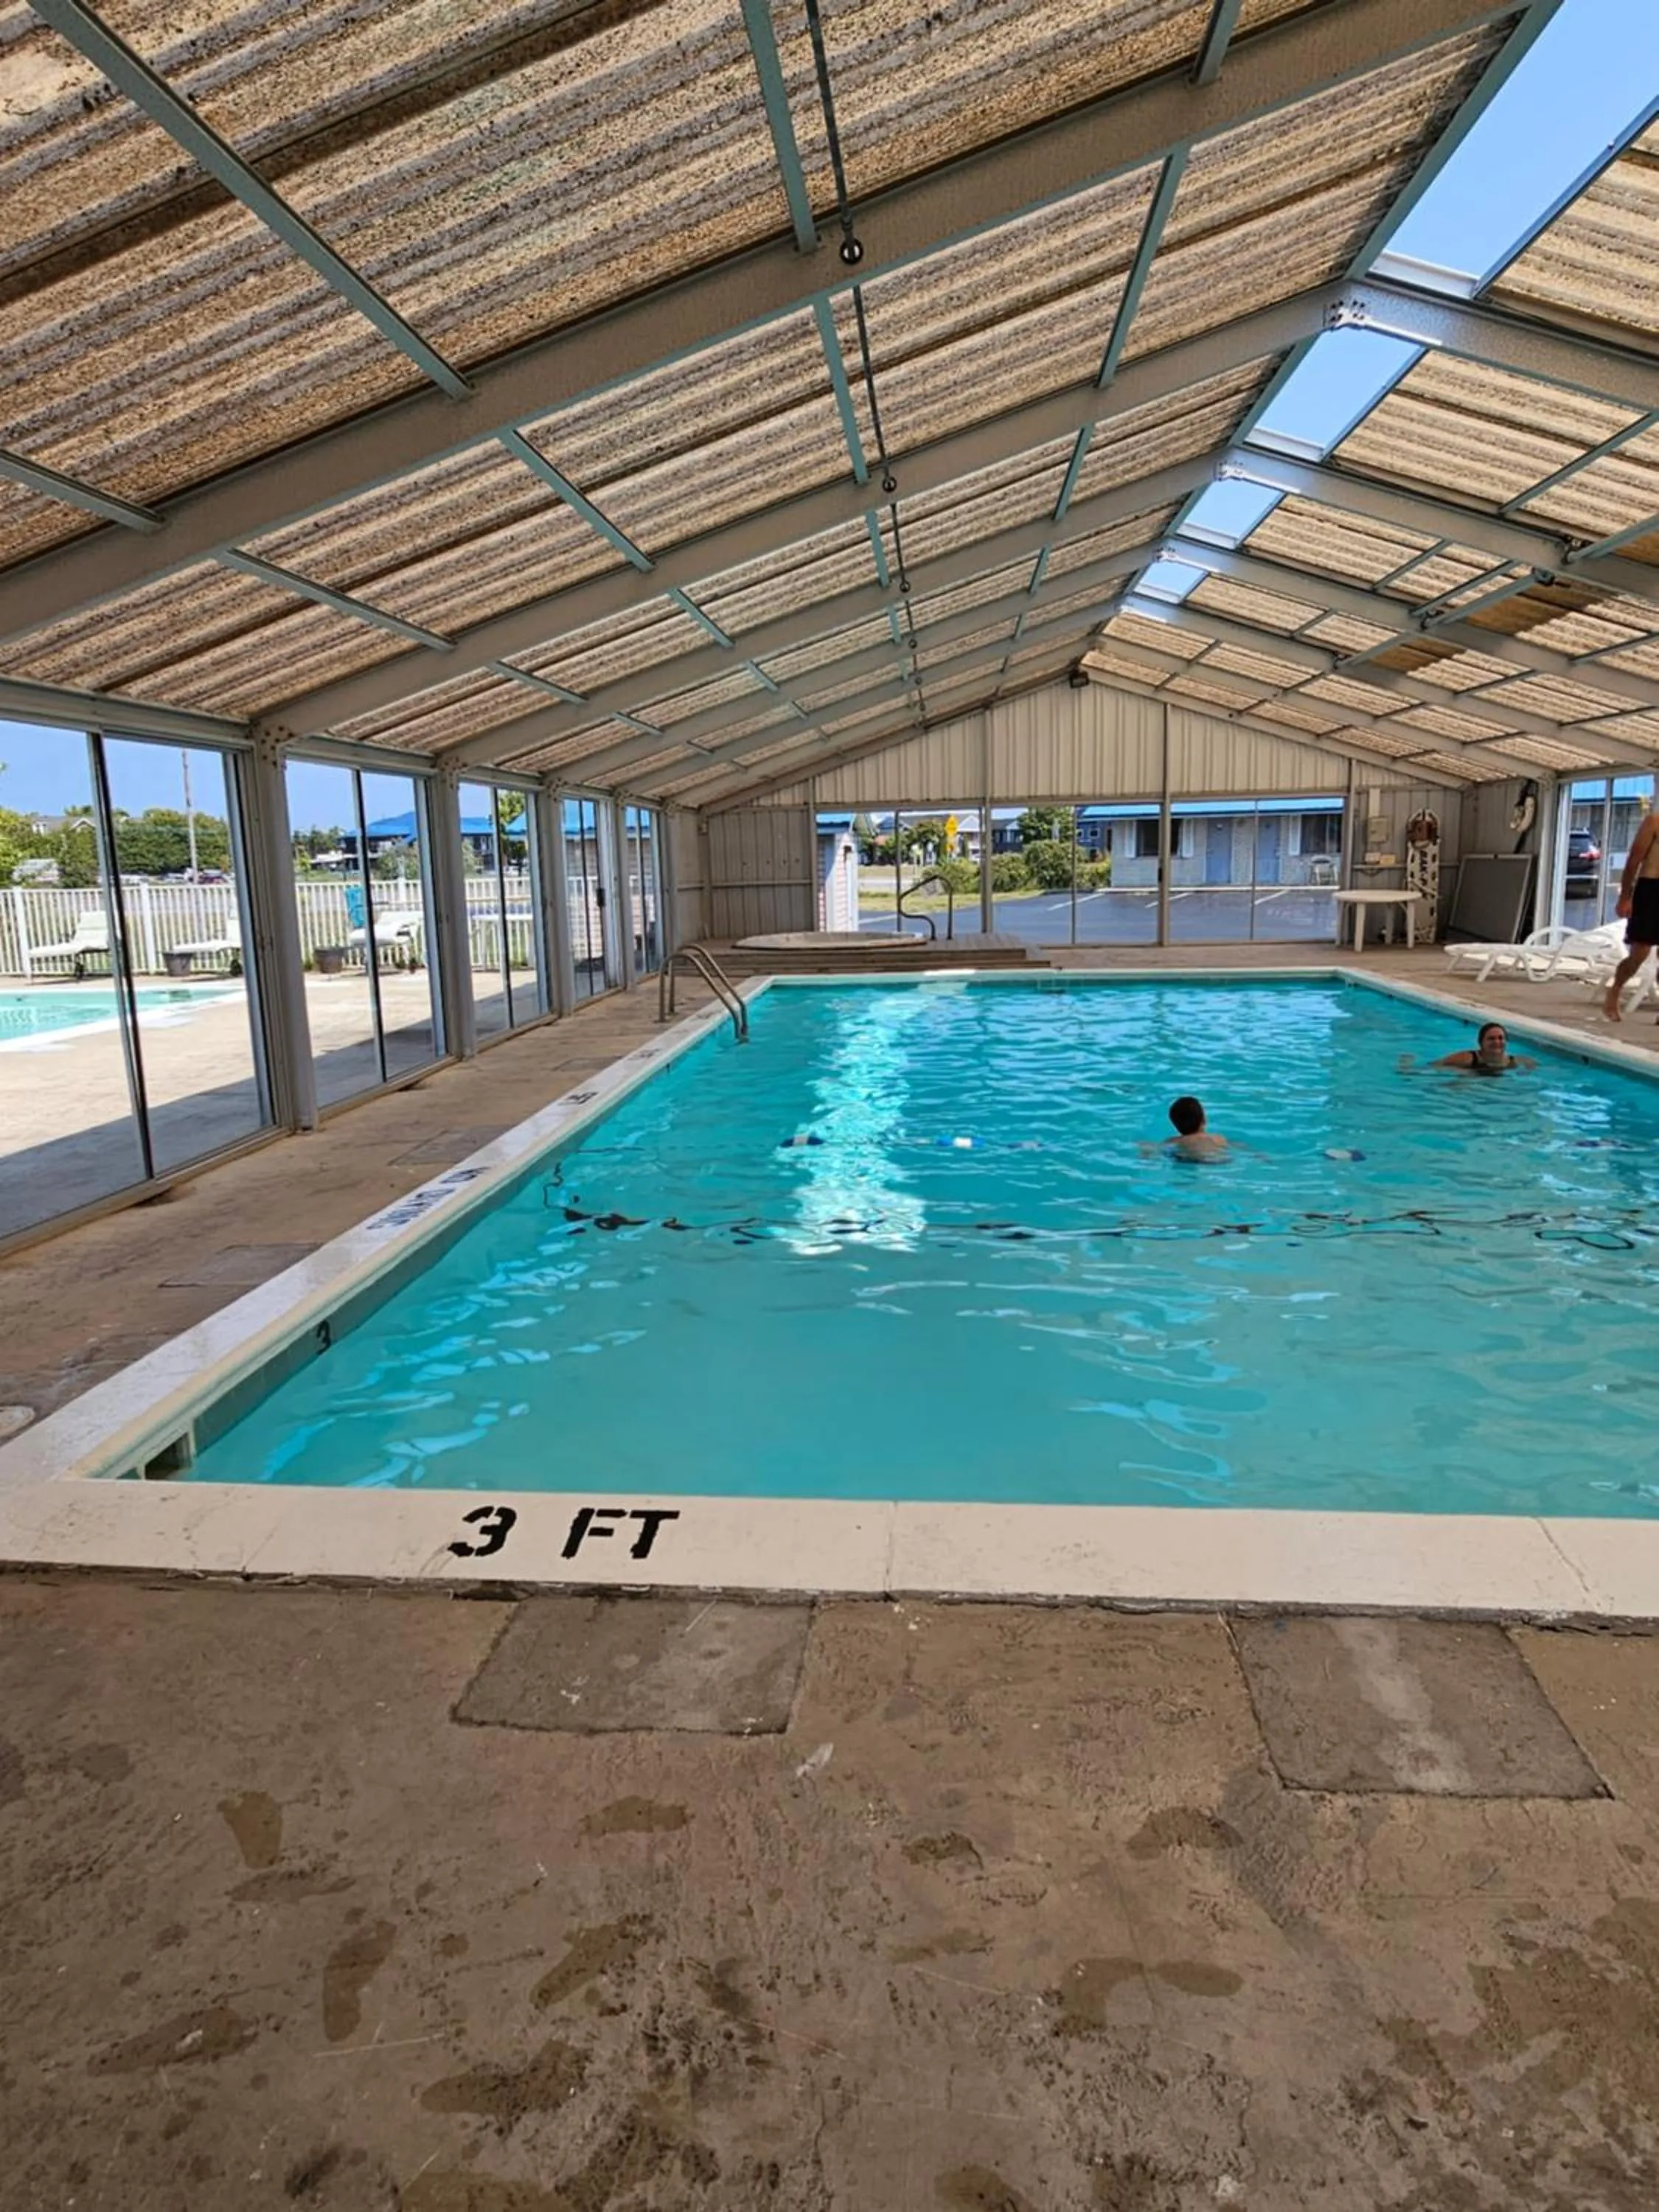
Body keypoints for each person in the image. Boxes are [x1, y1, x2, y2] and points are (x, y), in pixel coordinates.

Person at [1604, 801, 1659, 1020]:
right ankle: (1616, 989)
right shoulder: (1654, 822)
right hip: (1651, 889)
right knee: (1639, 954)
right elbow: (1633, 861)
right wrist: (1625, 897)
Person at [1430, 1020, 1536, 1075]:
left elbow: (1532, 1067)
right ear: (1481, 1043)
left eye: (1501, 1038)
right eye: (1491, 1039)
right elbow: (1435, 1066)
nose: (1497, 1042)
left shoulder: (1517, 1061)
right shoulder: (1467, 1058)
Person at [1158, 1096, 1229, 1161]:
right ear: (1204, 1119)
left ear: (1175, 1126)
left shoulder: (1173, 1141)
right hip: (1220, 1161)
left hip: (1188, 1160)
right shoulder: (1218, 1139)